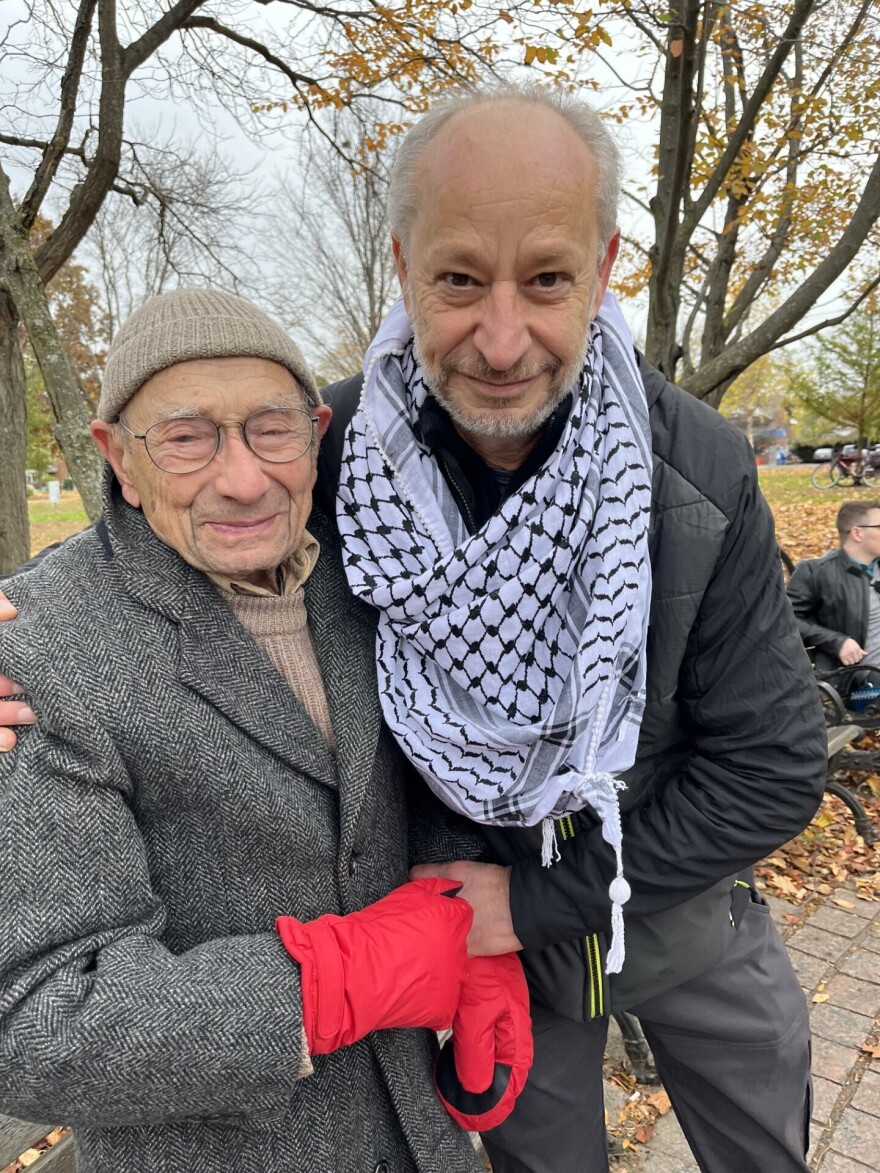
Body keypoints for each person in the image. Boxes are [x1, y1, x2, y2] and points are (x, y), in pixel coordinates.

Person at [0, 84, 827, 1173]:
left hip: (669, 917)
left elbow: (770, 765)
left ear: (604, 266)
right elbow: (158, 530)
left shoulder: (696, 466)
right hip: (480, 955)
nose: (498, 339)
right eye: (456, 280)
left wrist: (532, 904)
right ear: (401, 266)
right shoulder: (330, 462)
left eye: (544, 279)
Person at [0, 288, 531, 1173]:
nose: (243, 477)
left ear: (317, 434)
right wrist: (331, 983)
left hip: (420, 1136)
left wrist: (469, 933)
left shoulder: (368, 578)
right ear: (118, 458)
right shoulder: (39, 649)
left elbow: (416, 765)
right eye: (186, 437)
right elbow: (36, 1019)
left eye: (271, 430)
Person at [787, 499, 880, 675]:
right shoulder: (817, 572)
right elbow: (785, 619)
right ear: (857, 533)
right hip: (858, 681)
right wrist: (837, 642)